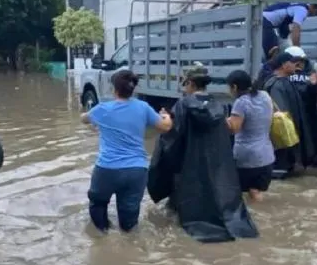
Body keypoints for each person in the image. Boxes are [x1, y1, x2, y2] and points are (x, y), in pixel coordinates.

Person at [148, 64, 259, 242]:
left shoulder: (183, 105)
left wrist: (166, 120)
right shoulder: (218, 105)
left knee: (176, 208)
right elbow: (223, 138)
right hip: (213, 165)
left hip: (188, 165)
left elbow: (173, 137)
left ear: (191, 83)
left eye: (185, 84)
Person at [81, 69, 173, 232]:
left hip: (106, 169)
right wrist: (167, 117)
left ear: (114, 89)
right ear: (133, 89)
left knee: (98, 204)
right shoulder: (143, 108)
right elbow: (165, 127)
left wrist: (95, 119)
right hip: (136, 171)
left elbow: (83, 119)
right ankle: (129, 242)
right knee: (130, 220)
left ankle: (102, 237)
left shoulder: (102, 109)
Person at [225, 70, 275, 202]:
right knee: (256, 192)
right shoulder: (265, 95)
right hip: (267, 156)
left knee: (240, 195)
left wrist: (220, 119)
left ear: (234, 87)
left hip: (247, 158)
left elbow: (234, 128)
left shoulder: (241, 102)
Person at [263, 52, 316, 175]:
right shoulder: (276, 85)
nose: (295, 65)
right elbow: (280, 118)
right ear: (284, 65)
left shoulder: (284, 82)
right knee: (283, 167)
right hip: (283, 138)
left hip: (289, 134)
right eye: (292, 62)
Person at [285, 46, 317, 168]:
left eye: (301, 61)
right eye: (297, 61)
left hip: (306, 112)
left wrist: (313, 87)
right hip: (296, 113)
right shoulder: (285, 76)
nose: (299, 64)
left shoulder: (310, 74)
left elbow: (315, 96)